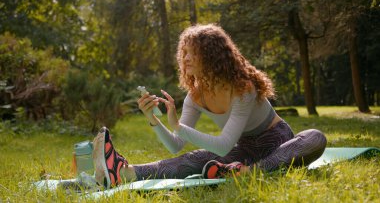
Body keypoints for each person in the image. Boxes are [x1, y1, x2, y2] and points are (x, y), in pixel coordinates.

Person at [93, 24, 327, 189]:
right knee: (195, 158)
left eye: (192, 53)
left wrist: (177, 125)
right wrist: (154, 120)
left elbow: (224, 145)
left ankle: (249, 172)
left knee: (315, 137)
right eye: (183, 53)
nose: (185, 59)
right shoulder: (194, 97)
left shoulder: (242, 88)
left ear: (212, 55)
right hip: (244, 149)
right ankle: (126, 172)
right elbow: (176, 146)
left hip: (277, 140)